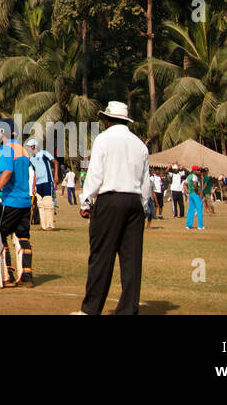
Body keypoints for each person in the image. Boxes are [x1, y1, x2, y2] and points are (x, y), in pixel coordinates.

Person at [76, 101, 151, 316]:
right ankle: (128, 309)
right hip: (134, 202)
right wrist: (142, 206)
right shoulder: (139, 144)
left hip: (110, 199)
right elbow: (146, 183)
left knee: (101, 256)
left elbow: (95, 174)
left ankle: (91, 309)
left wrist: (86, 201)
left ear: (108, 120)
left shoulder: (103, 140)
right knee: (132, 259)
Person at [0, 131, 34, 287]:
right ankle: (27, 277)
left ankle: (6, 275)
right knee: (23, 237)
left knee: (0, 236)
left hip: (11, 200)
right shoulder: (22, 149)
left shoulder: (6, 149)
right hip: (25, 200)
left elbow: (8, 172)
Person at [26, 138, 57, 230]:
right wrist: (33, 186)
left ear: (35, 146)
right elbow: (35, 172)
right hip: (38, 183)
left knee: (48, 203)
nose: (29, 149)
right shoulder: (31, 158)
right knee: (40, 204)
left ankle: (50, 225)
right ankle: (43, 225)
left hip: (47, 181)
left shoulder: (44, 153)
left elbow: (55, 162)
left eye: (30, 146)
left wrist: (55, 176)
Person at [184, 165, 205, 231]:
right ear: (194, 170)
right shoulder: (194, 176)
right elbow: (195, 185)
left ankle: (188, 225)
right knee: (199, 209)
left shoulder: (188, 176)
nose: (199, 171)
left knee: (191, 209)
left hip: (190, 194)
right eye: (198, 170)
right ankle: (200, 226)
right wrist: (197, 192)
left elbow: (184, 184)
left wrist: (187, 190)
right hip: (195, 194)